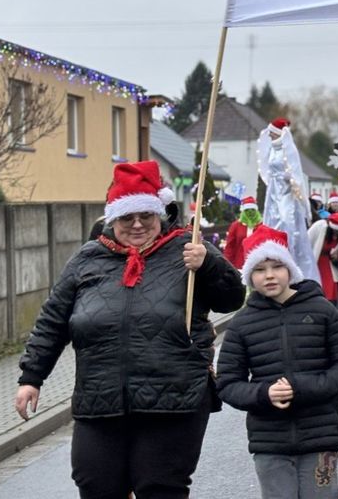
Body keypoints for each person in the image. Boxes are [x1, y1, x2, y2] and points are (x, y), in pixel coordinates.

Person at [14, 160, 246, 498]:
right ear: (113, 219)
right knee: (95, 483)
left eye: (146, 216)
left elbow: (232, 298)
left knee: (159, 486)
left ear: (159, 214)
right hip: (100, 399)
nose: (137, 225)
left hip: (174, 398)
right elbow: (53, 321)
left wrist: (209, 264)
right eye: (127, 217)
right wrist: (31, 378)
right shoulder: (87, 259)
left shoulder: (189, 249)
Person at [217, 225, 338, 499]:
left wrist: (304, 387)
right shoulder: (242, 324)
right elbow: (227, 383)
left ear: (290, 269)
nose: (269, 275)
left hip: (321, 435)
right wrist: (263, 393)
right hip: (269, 440)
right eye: (260, 269)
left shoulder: (321, 310)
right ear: (249, 276)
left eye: (277, 266)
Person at [258, 117, 320, 284]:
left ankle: (290, 258)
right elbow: (268, 169)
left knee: (287, 221)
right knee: (272, 220)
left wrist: (286, 179)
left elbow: (294, 173)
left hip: (285, 191)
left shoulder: (288, 150)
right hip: (273, 191)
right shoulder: (271, 149)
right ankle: (273, 253)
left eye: (272, 131)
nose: (269, 134)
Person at [308, 211, 338, 303]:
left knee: (332, 289)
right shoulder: (319, 227)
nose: (337, 234)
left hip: (331, 263)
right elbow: (306, 242)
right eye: (336, 231)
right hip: (317, 261)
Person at [223, 196, 262, 269]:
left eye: (252, 210)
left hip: (259, 263)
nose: (250, 212)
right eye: (247, 210)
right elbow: (230, 247)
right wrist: (227, 264)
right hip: (239, 264)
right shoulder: (236, 226)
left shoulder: (262, 225)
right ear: (243, 211)